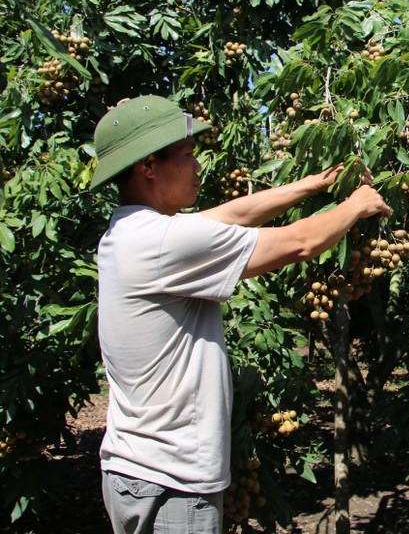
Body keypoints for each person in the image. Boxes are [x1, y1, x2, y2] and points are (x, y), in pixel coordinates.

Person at [90, 95, 390, 533]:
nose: (198, 167)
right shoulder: (161, 244)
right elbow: (298, 244)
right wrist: (356, 204)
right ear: (148, 167)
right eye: (189, 155)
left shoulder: (131, 233)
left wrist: (314, 185)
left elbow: (232, 214)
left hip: (135, 468)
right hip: (173, 479)